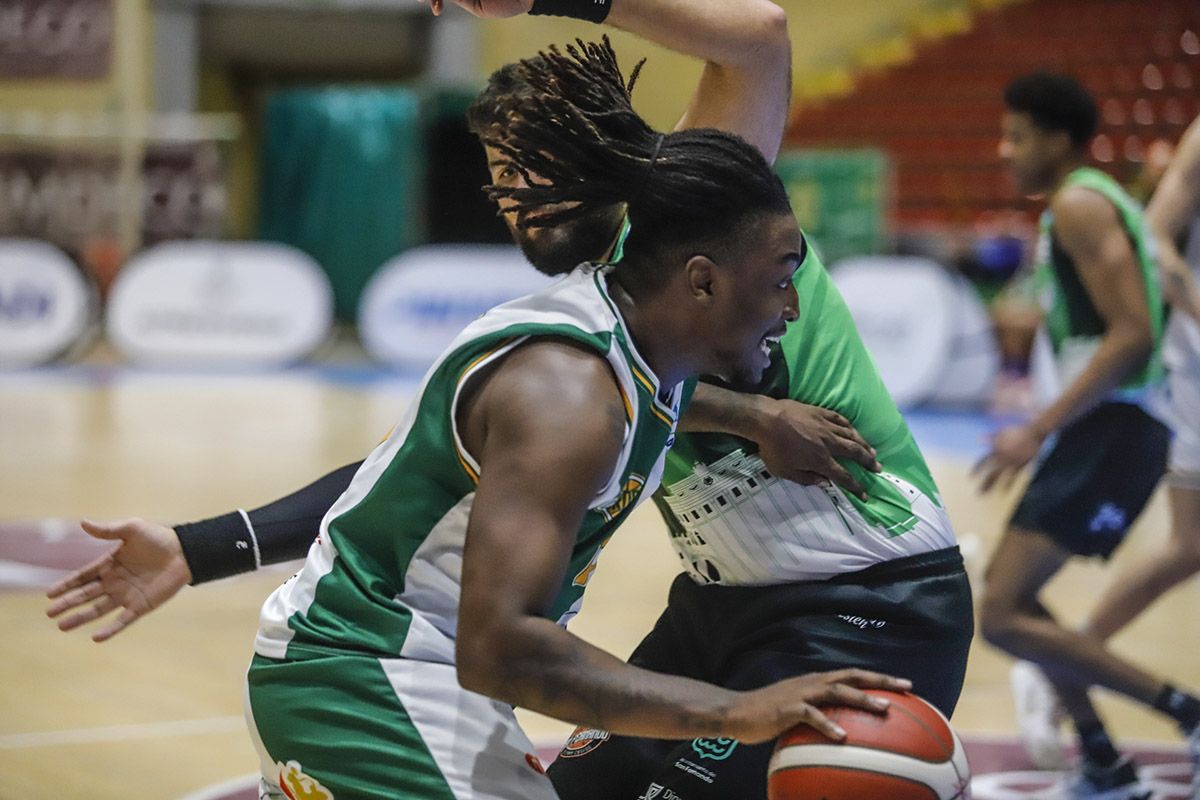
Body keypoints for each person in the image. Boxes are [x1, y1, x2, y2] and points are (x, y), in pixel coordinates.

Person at [49, 3, 974, 799]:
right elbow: (427, 495)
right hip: (617, 623)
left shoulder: (717, 222)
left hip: (866, 590)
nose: (507, 193)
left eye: (526, 163)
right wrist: (208, 546)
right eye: (494, 170)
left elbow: (759, 36)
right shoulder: (577, 359)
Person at [974, 71, 1200, 800]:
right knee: (1014, 600)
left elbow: (1133, 337)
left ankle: (1185, 713)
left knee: (1003, 613)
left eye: (1017, 136)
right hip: (1105, 428)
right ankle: (1103, 758)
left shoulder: (1078, 203)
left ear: (1058, 140)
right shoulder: (1086, 203)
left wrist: (1035, 429)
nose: (1004, 151)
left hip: (1115, 430)